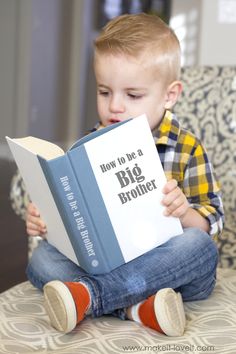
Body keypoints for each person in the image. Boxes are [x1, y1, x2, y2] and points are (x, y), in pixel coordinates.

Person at [25, 13, 224, 336]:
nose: (114, 107)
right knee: (41, 260)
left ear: (169, 95)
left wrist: (185, 212)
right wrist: (48, 222)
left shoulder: (186, 148)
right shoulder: (89, 145)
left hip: (169, 269)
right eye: (105, 92)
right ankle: (136, 308)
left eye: (132, 96)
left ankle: (89, 296)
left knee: (200, 247)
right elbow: (79, 226)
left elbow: (212, 221)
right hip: (111, 265)